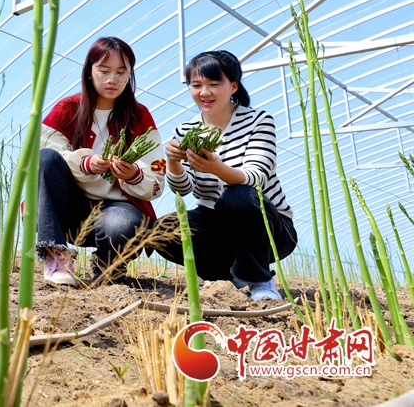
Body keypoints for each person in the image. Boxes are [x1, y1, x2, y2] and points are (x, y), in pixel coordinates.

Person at [154, 50, 297, 301]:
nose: (204, 92)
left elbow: (256, 176)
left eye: (213, 84)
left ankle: (259, 280)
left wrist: (217, 168)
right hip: (215, 220)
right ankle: (227, 279)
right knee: (164, 231)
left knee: (238, 195)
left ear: (233, 85)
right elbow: (184, 189)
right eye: (196, 85)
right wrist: (174, 162)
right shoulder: (186, 129)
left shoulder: (258, 120)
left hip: (267, 224)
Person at [38, 37, 166, 286]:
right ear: (89, 72)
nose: (112, 79)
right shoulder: (67, 108)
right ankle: (57, 256)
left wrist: (134, 174)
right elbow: (42, 155)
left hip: (117, 208)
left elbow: (157, 170)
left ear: (130, 74)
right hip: (70, 209)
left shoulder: (140, 116)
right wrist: (85, 163)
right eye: (104, 71)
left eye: (121, 72)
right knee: (45, 159)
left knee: (123, 224)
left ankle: (107, 267)